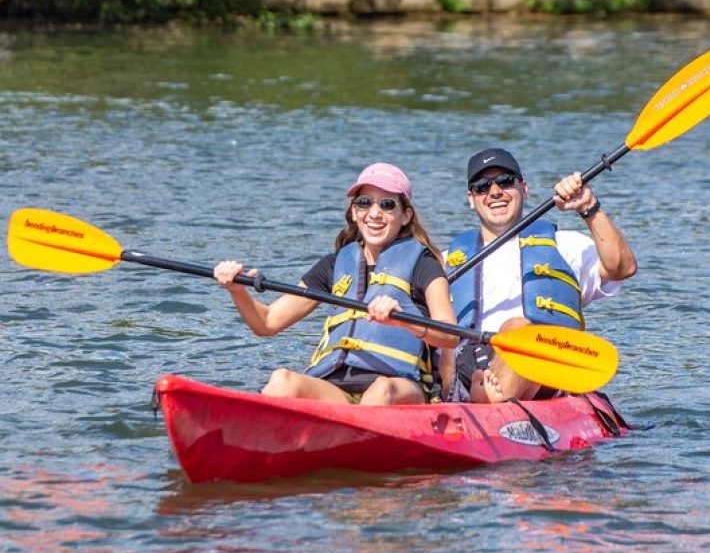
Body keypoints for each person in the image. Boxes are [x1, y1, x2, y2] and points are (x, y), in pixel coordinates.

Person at [214, 162, 458, 406]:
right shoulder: (335, 264)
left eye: (387, 204)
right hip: (336, 386)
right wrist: (238, 292)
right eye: (364, 202)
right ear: (353, 211)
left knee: (381, 391)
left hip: (399, 387)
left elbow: (450, 334)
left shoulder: (424, 264)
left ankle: (353, 440)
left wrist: (403, 320)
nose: (374, 213)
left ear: (406, 215)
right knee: (282, 380)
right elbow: (266, 323)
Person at [440, 148, 637, 403]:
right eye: (482, 186)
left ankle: (488, 402)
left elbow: (622, 268)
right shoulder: (445, 261)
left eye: (505, 181)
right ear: (471, 197)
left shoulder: (564, 245)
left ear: (524, 188)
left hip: (541, 362)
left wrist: (588, 206)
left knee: (518, 327)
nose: (495, 192)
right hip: (466, 364)